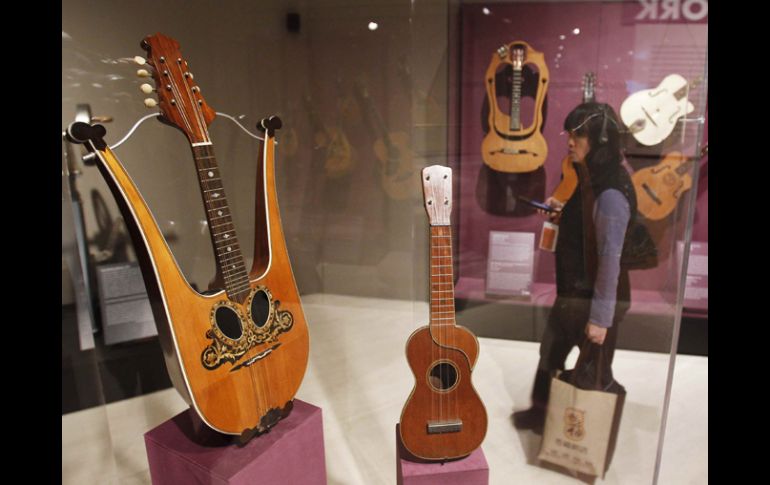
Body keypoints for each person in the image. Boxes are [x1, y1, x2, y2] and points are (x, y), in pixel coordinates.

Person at [513, 102, 636, 433]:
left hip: (592, 300)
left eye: (578, 135)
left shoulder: (611, 193)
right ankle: (541, 416)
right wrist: (562, 211)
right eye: (569, 133)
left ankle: (585, 439)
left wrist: (600, 319)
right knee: (550, 353)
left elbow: (610, 258)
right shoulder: (594, 176)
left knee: (594, 372)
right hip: (574, 293)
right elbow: (589, 227)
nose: (570, 141)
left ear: (600, 140)